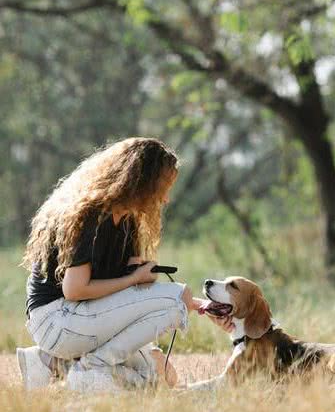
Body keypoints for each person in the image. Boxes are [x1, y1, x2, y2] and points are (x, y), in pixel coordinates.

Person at [18, 137, 204, 392]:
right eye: (163, 187)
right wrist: (134, 280)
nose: (166, 199)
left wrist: (141, 274)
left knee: (162, 374)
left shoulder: (126, 220)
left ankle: (51, 364)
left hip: (81, 315)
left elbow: (121, 283)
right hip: (56, 319)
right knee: (178, 297)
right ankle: (88, 368)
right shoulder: (88, 215)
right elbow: (74, 289)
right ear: (140, 182)